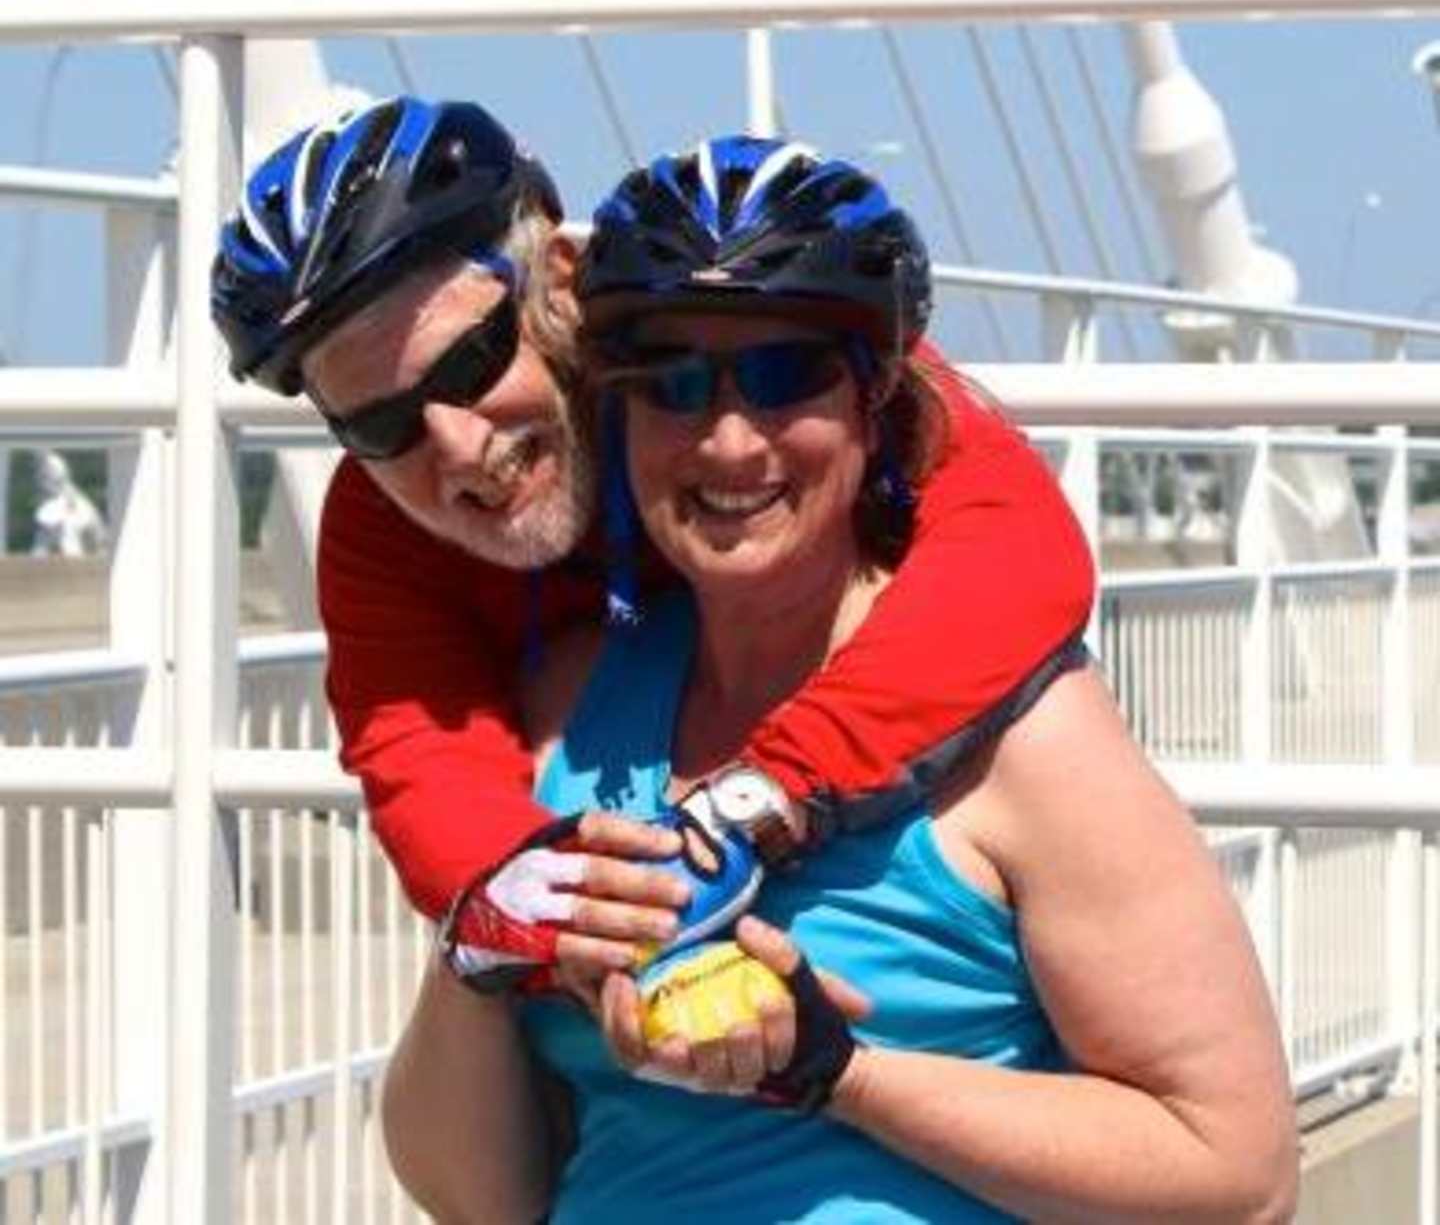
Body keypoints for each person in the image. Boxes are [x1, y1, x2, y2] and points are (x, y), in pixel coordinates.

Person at [382, 136, 1297, 1224]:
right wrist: (479, 953)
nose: (730, 442)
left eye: (784, 376)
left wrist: (838, 1072)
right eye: (672, 382)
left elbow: (1239, 1175)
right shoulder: (568, 712)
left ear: (873, 401)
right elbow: (474, 1198)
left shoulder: (1029, 737)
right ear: (617, 412)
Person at [211, 96, 1094, 990]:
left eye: (470, 362)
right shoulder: (380, 519)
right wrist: (558, 911)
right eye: (380, 423)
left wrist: (762, 795)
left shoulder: (749, 332)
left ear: (560, 278)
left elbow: (1016, 555)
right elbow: (416, 749)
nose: (458, 445)